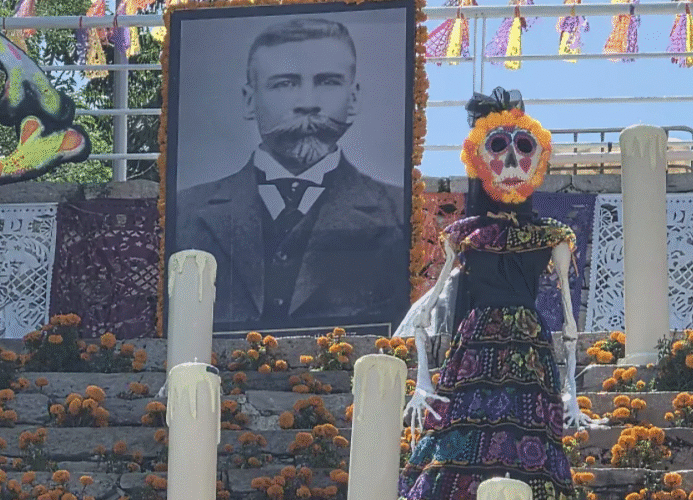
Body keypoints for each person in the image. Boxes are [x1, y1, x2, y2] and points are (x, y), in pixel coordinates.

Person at [396, 88, 577, 500]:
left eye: (522, 148)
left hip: (526, 345)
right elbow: (424, 314)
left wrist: (571, 391)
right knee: (463, 429)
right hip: (478, 342)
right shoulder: (465, 236)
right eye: (498, 148)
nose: (511, 162)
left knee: (527, 433)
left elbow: (569, 325)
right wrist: (423, 380)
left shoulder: (550, 237)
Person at [175, 17, 408, 330]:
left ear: (353, 99)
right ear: (249, 100)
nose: (308, 104)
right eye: (284, 84)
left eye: (328, 82)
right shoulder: (186, 212)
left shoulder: (399, 213)